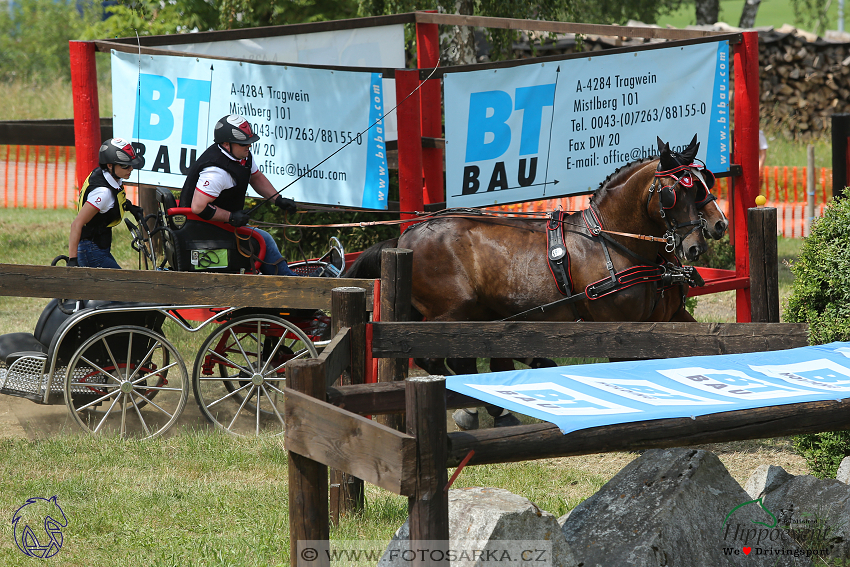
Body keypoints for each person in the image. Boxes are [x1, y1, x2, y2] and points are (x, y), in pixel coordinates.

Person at [179, 114, 300, 276]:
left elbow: (256, 177)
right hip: (203, 229)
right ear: (226, 144)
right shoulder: (217, 172)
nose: (248, 147)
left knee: (262, 237)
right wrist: (231, 216)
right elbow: (198, 207)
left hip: (221, 225)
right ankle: (289, 282)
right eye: (244, 144)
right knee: (263, 239)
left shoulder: (241, 156)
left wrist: (278, 199)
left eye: (249, 143)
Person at [68, 138, 144, 268]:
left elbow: (112, 202)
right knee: (123, 285)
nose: (130, 168)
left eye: (131, 164)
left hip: (99, 248)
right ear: (110, 165)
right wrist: (72, 260)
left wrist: (129, 206)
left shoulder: (108, 177)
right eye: (125, 165)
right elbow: (77, 224)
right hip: (91, 252)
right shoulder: (103, 193)